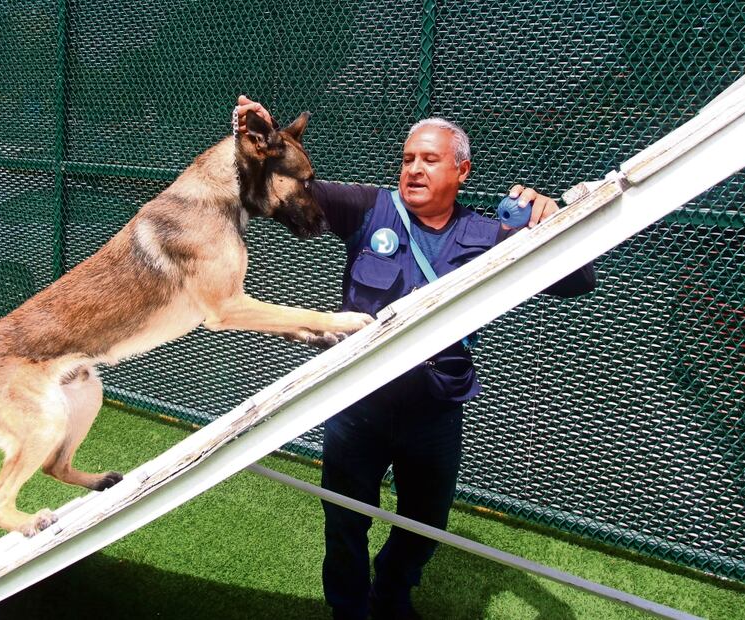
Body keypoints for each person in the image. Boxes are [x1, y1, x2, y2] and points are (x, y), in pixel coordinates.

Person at [235, 96, 595, 620]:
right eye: (407, 159)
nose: (414, 169)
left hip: (435, 415)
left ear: (462, 171)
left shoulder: (489, 235)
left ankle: (393, 595)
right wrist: (262, 145)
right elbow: (293, 188)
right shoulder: (369, 208)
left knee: (424, 523)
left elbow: (578, 282)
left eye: (429, 159)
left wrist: (554, 222)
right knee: (344, 518)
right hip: (357, 408)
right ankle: (349, 609)